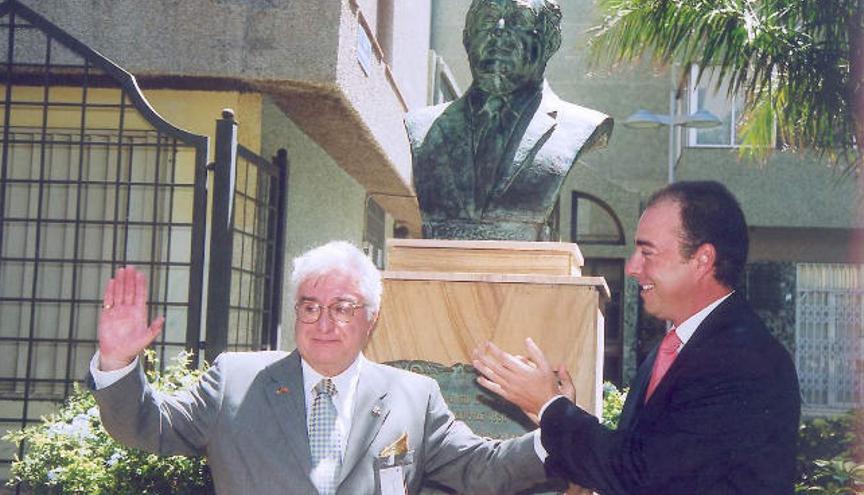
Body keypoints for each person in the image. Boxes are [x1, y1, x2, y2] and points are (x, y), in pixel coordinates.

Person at [89, 241, 550, 495]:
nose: (324, 323)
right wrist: (117, 362)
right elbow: (147, 425)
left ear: (371, 317)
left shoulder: (415, 396)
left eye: (343, 307)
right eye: (310, 307)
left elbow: (482, 469)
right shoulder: (236, 380)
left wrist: (556, 429)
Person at [473, 181, 801, 494]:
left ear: (702, 260)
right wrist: (561, 415)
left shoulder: (744, 361)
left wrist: (551, 407)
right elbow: (641, 456)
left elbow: (642, 475)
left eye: (647, 253)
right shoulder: (676, 348)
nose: (632, 267)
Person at [405, 0, 612, 241]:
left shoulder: (580, 127)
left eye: (519, 20)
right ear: (467, 38)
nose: (499, 30)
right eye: (487, 19)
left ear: (550, 42)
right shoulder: (422, 127)